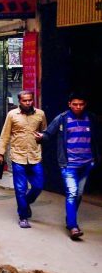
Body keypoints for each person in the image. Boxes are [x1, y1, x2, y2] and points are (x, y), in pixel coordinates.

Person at [36, 93, 100, 240]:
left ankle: (70, 218)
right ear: (69, 104)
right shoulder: (62, 118)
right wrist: (40, 137)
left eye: (81, 104)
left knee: (78, 194)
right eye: (75, 104)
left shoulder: (90, 118)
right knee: (72, 193)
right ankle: (73, 226)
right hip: (68, 164)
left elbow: (97, 138)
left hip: (86, 164)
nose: (78, 107)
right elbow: (48, 134)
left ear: (85, 105)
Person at [0, 91, 47, 229]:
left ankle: (26, 202)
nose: (28, 103)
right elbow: (5, 134)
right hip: (18, 156)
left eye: (30, 100)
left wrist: (42, 137)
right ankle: (23, 216)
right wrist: (0, 153)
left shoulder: (40, 114)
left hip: (35, 156)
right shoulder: (12, 115)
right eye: (25, 101)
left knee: (38, 186)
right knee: (20, 188)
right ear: (19, 101)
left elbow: (45, 132)